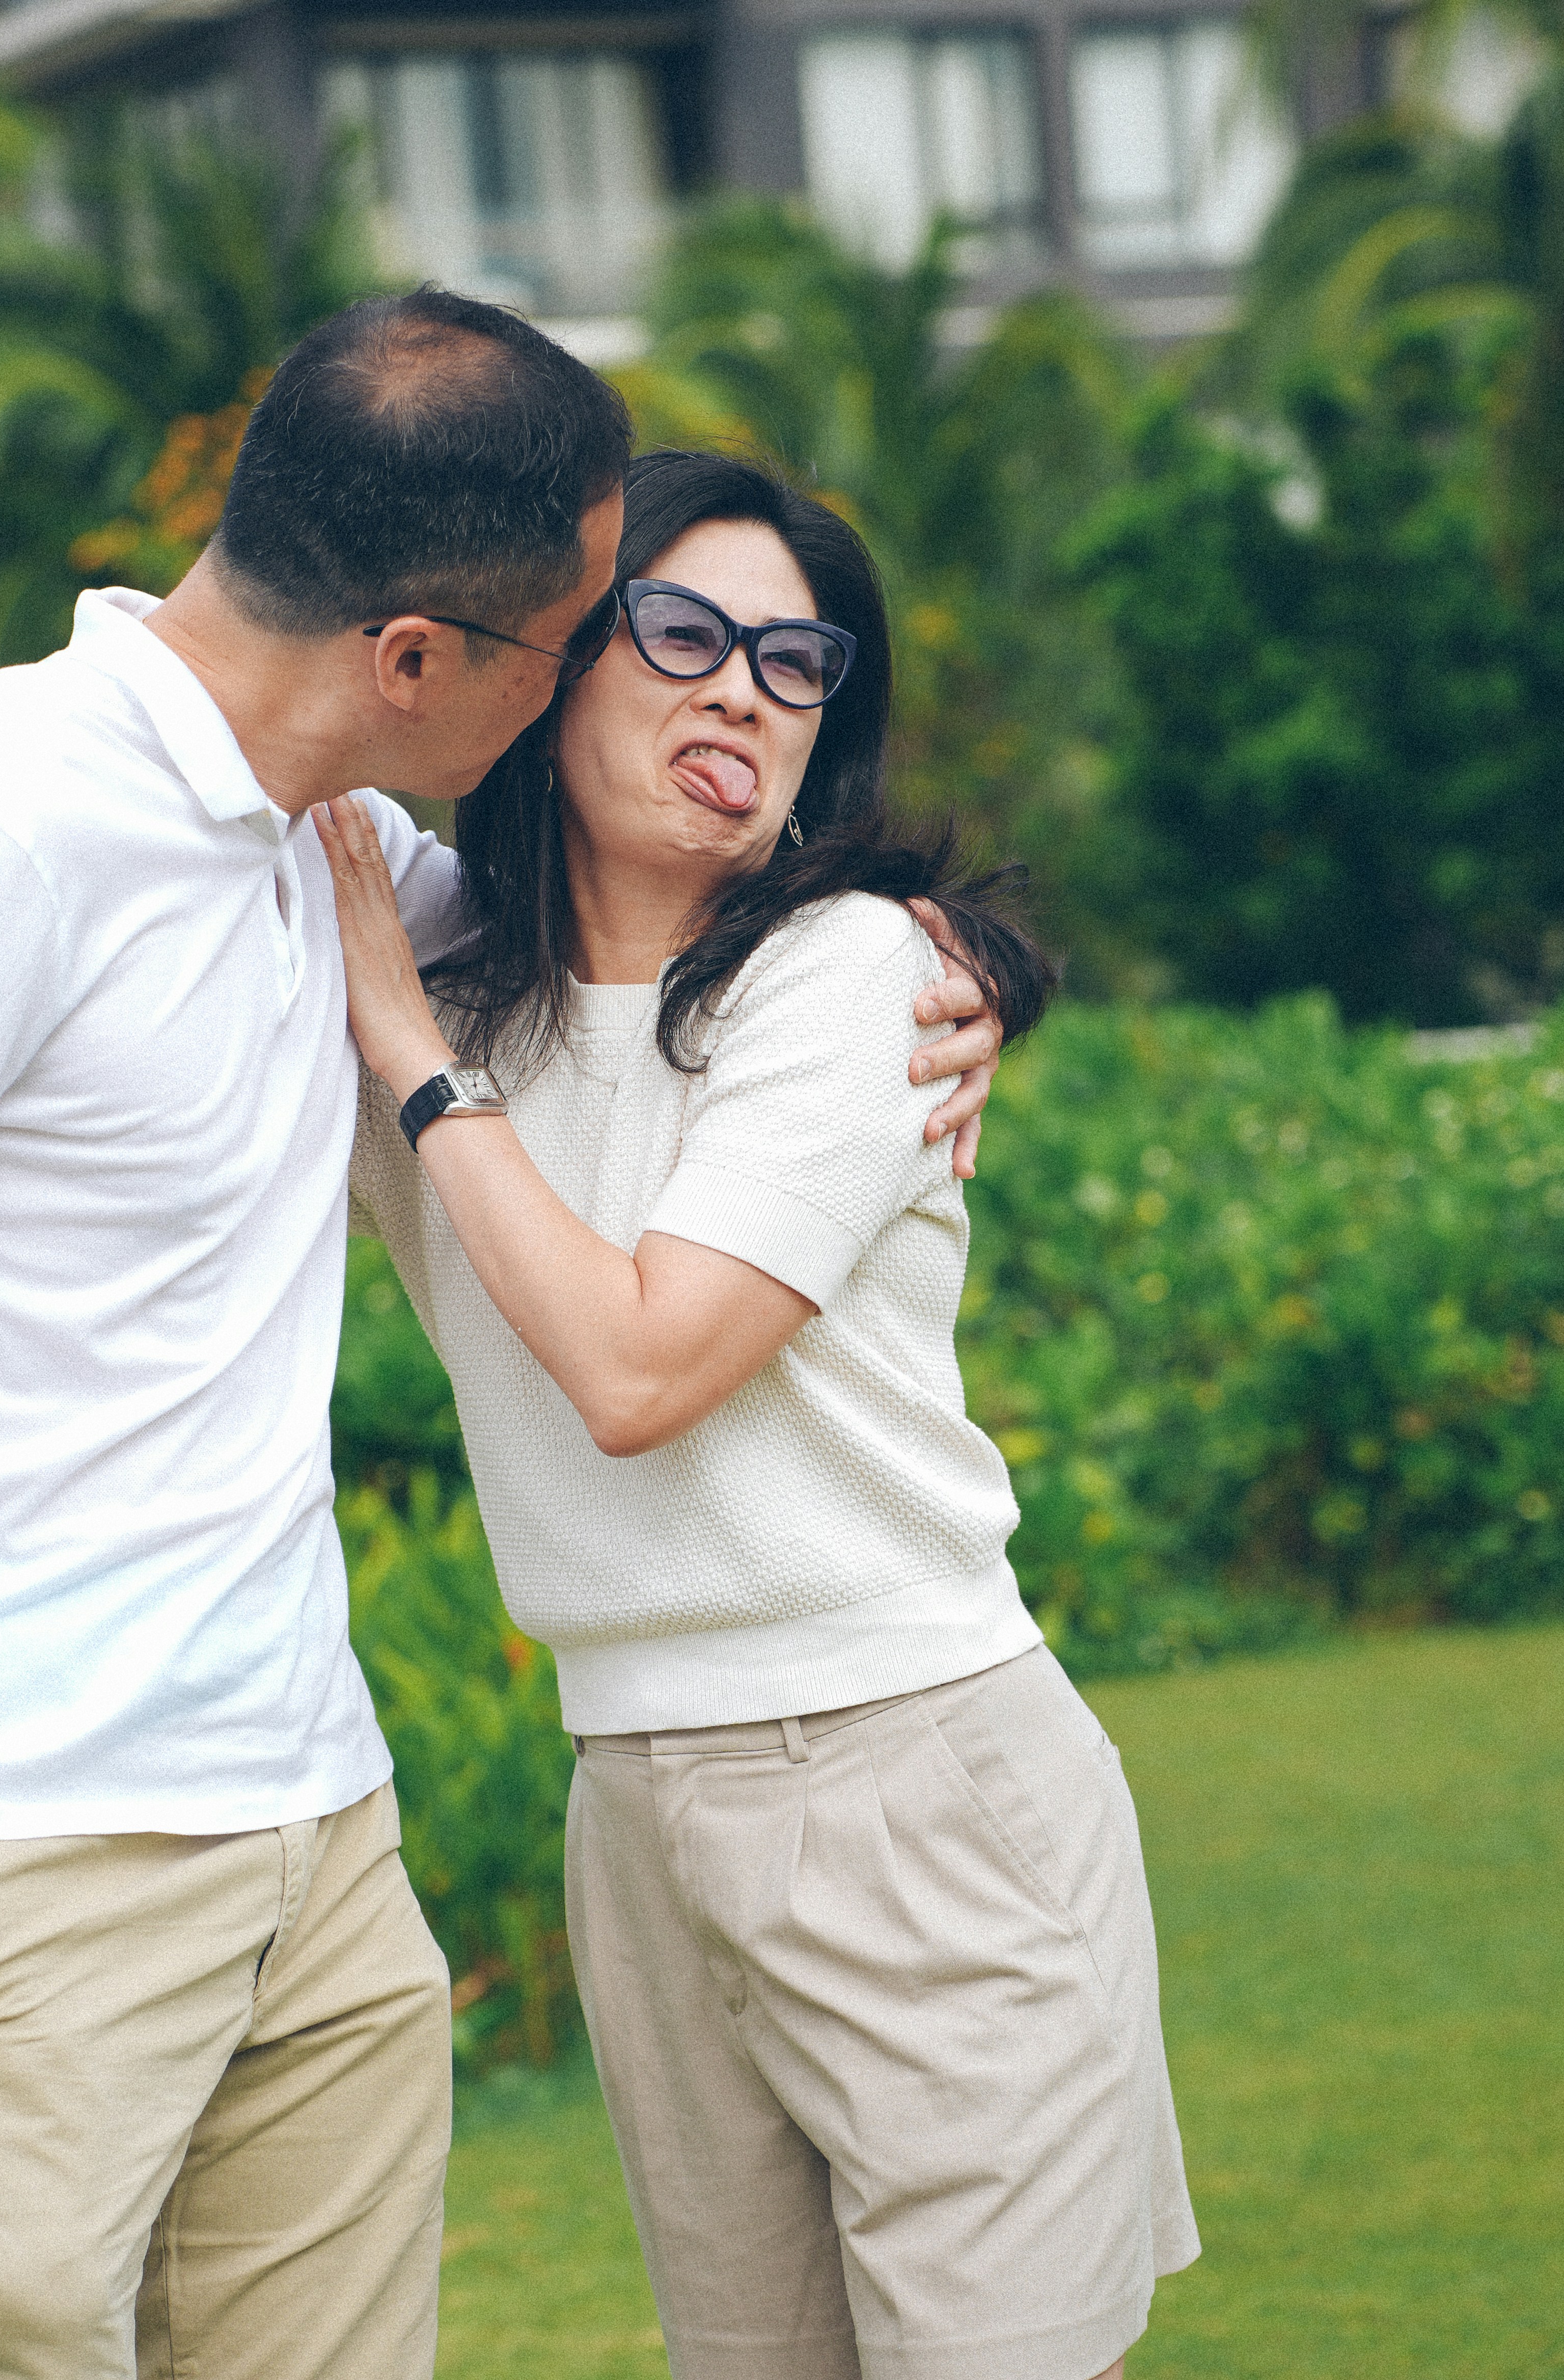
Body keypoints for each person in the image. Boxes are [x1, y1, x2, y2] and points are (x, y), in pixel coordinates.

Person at [0, 295, 1008, 2380]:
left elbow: (642, 944)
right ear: (415, 660)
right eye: (570, 648)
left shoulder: (336, 842)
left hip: (314, 1857)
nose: (579, 701)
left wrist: (945, 967)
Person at [320, 448, 1197, 2380]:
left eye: (797, 666)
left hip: (916, 1780)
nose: (744, 691)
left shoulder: (851, 972)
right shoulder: (446, 970)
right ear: (546, 674)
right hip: (634, 1804)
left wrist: (411, 1066)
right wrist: (418, 1025)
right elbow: (242, 666)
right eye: (685, 634)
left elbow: (641, 1371)